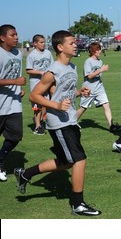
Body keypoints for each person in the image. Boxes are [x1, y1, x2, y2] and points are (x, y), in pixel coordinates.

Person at [14, 30, 101, 216]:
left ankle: (25, 174)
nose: (76, 44)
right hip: (59, 123)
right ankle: (78, 204)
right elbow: (34, 95)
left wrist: (79, 92)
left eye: (75, 42)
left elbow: (64, 93)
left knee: (66, 162)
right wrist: (56, 105)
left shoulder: (72, 68)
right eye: (71, 42)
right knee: (79, 159)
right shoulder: (52, 71)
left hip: (70, 119)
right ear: (60, 47)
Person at [0, 24, 26, 182]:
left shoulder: (18, 53)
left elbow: (18, 75)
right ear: (2, 38)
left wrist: (18, 88)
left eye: (17, 34)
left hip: (14, 104)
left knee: (16, 135)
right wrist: (14, 81)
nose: (16, 37)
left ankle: (0, 160)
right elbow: (15, 78)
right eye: (12, 35)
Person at [76, 42, 121, 133]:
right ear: (93, 51)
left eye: (100, 49)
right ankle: (71, 122)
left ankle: (111, 126)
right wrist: (101, 70)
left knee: (106, 105)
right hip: (88, 88)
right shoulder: (88, 61)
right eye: (97, 49)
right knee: (83, 107)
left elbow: (98, 75)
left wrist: (100, 70)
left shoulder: (100, 61)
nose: (99, 51)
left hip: (99, 88)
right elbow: (89, 76)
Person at [26, 34, 54, 135]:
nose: (44, 44)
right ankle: (38, 127)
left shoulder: (48, 53)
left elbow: (53, 66)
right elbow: (28, 70)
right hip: (36, 84)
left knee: (47, 104)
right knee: (37, 106)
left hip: (47, 83)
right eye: (41, 42)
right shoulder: (32, 55)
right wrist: (40, 72)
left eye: (44, 42)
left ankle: (40, 120)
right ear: (35, 43)